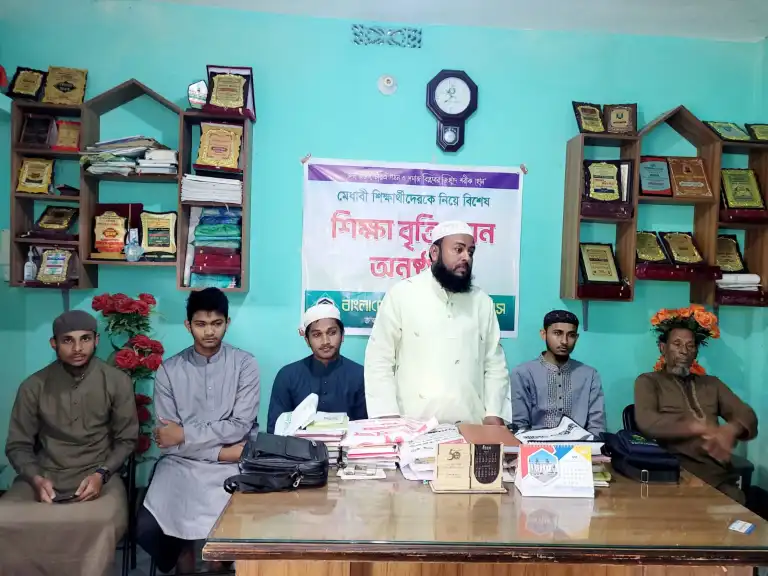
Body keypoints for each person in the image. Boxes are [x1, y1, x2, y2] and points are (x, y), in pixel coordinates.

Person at [0, 310, 139, 576]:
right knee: (4, 518)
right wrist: (36, 478)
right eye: (68, 340)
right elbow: (18, 445)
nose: (77, 348)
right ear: (54, 343)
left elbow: (126, 439)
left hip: (99, 477)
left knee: (101, 522)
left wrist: (101, 474)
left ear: (96, 340)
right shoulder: (33, 386)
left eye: (85, 339)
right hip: (45, 476)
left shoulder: (116, 381)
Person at [137, 288, 260, 574]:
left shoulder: (245, 364)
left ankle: (219, 565)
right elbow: (168, 439)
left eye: (216, 323)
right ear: (188, 325)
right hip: (183, 464)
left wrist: (185, 435)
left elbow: (239, 426)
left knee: (224, 540)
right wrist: (222, 452)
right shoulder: (169, 370)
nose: (209, 332)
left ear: (227, 323)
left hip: (229, 467)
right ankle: (184, 563)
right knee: (154, 528)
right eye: (201, 324)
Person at [364, 220, 511, 424]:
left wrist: (494, 414)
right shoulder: (402, 295)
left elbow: (494, 365)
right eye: (458, 249)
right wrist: (387, 416)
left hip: (471, 425)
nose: (466, 257)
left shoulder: (482, 303)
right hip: (412, 425)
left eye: (470, 252)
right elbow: (379, 358)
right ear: (434, 253)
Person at [634, 305, 758, 504]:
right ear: (662, 348)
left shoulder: (712, 384)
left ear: (696, 352)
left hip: (717, 480)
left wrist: (731, 430)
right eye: (677, 344)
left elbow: (747, 415)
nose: (684, 351)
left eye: (690, 346)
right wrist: (696, 427)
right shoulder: (648, 382)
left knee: (738, 510)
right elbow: (647, 422)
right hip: (671, 478)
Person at [267, 300, 366, 433]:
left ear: (342, 335)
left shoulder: (359, 375)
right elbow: (275, 430)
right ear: (307, 340)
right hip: (297, 447)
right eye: (317, 335)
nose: (325, 341)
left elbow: (365, 428)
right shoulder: (287, 376)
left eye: (332, 333)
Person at [510, 310, 605, 436]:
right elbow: (519, 427)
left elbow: (597, 427)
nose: (564, 341)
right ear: (543, 334)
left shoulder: (590, 375)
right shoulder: (523, 373)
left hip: (581, 446)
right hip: (534, 445)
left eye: (571, 335)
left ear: (576, 338)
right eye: (557, 333)